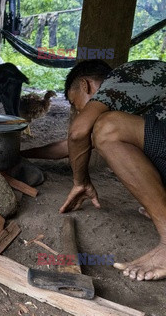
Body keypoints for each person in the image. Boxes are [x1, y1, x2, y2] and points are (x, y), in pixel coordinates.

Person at [22, 59, 166, 281]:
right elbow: (70, 145)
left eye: (74, 102)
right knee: (106, 132)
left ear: (85, 85)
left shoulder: (120, 77)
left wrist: (80, 181)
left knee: (107, 129)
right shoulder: (132, 96)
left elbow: (78, 133)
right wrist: (21, 154)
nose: (77, 109)